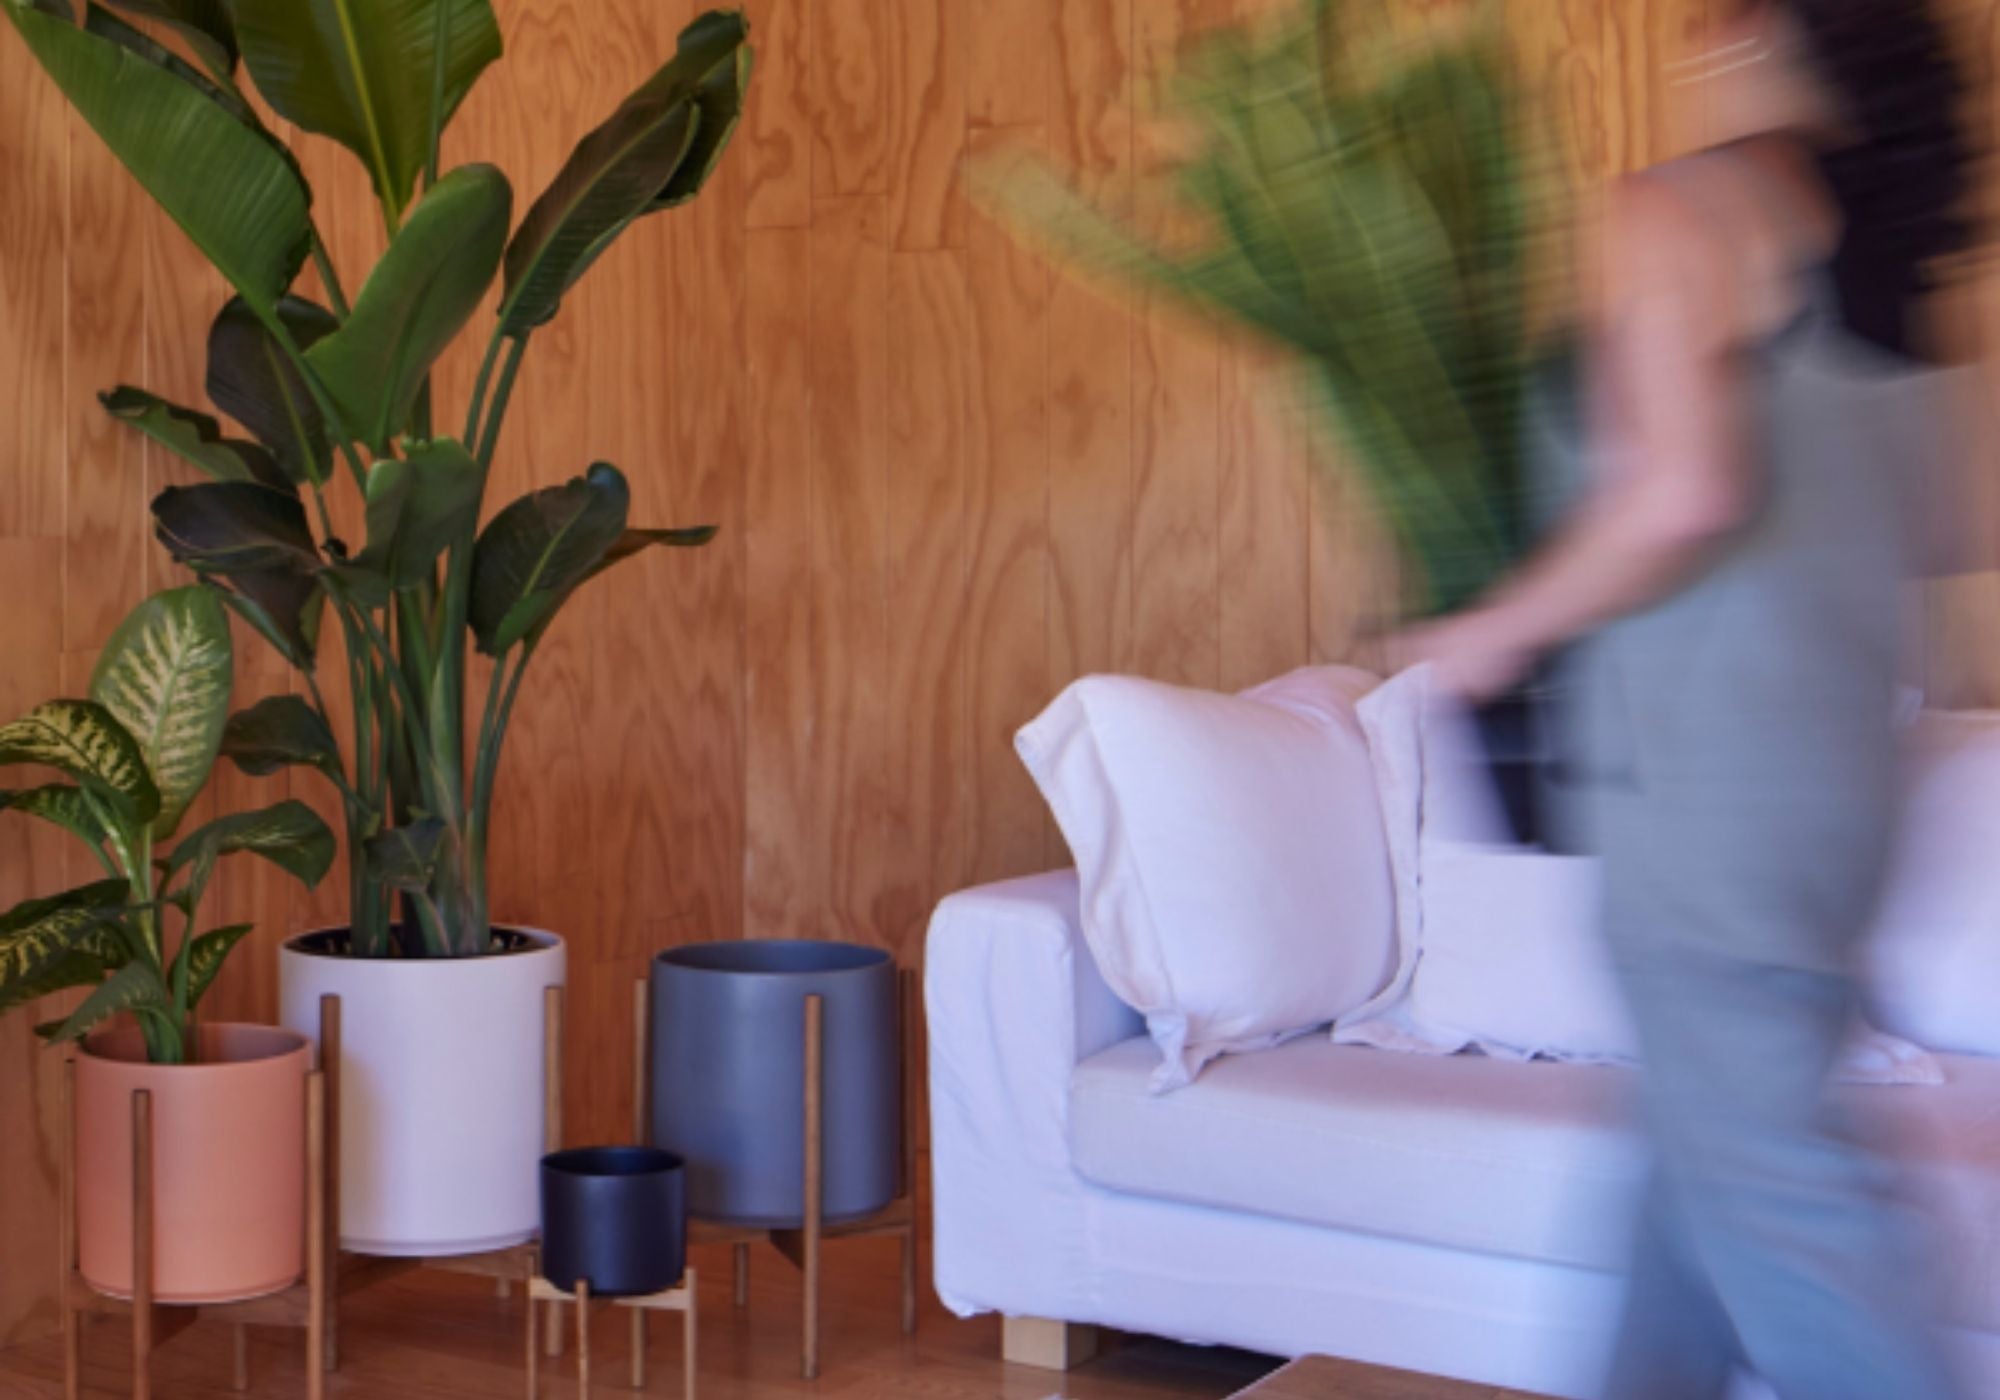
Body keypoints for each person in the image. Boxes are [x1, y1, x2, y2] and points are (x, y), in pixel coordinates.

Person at [1395, 1, 1977, 1396]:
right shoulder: (1885, 259)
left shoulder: (1676, 212)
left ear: (1758, 28)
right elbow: (1947, 523)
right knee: (1693, 1176)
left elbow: (1685, 490)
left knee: (1790, 1211)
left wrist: (1492, 626)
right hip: (1835, 798)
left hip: (1708, 806)